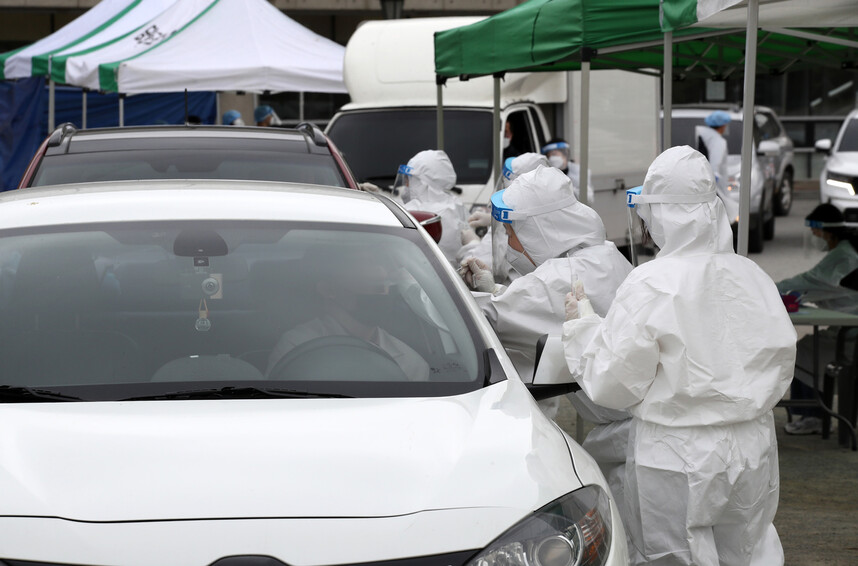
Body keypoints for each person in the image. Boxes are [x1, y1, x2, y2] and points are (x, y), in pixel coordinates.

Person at [562, 146, 796, 566]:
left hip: (676, 451)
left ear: (661, 214)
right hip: (752, 444)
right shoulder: (753, 275)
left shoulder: (652, 283)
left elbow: (613, 383)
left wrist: (582, 329)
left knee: (676, 557)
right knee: (751, 551)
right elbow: (780, 361)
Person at [459, 165, 633, 421]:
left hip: (623, 434)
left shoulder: (565, 275)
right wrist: (493, 290)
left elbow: (490, 318)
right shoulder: (601, 254)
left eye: (511, 234)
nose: (510, 245)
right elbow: (537, 305)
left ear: (538, 230)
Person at [266, 251, 430, 381]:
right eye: (362, 263)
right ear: (328, 289)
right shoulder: (296, 349)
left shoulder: (410, 363)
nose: (379, 272)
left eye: (383, 287)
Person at [776, 203, 858, 435]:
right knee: (805, 348)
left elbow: (808, 282)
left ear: (827, 232)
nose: (813, 237)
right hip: (847, 329)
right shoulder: (847, 250)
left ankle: (812, 415)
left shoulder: (843, 257)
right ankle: (810, 413)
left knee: (802, 351)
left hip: (850, 334)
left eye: (815, 233)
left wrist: (765, 289)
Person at [396, 150, 467, 267]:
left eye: (408, 180)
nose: (406, 185)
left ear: (421, 182)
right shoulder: (454, 205)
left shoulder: (421, 212)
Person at [695, 110, 731, 192]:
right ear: (723, 126)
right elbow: (715, 162)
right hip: (717, 186)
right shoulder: (718, 141)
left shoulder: (708, 137)